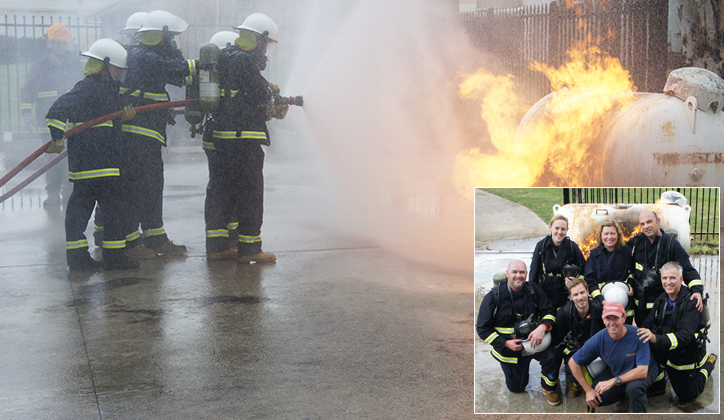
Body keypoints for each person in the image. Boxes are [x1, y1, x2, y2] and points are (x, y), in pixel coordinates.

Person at [45, 38, 138, 271]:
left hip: (96, 164)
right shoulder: (86, 87)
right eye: (116, 69)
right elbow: (56, 110)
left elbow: (113, 111)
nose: (118, 75)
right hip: (98, 164)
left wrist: (123, 115)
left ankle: (85, 258)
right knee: (108, 210)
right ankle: (109, 258)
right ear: (103, 66)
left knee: (90, 210)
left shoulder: (107, 89)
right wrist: (57, 137)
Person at [204, 13, 288, 263]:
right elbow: (259, 95)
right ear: (260, 40)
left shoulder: (226, 56)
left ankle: (217, 247)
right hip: (243, 141)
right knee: (251, 193)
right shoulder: (244, 61)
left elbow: (242, 94)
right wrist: (272, 98)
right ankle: (251, 249)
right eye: (267, 44)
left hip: (223, 140)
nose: (266, 52)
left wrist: (266, 91)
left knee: (222, 192)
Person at [121, 10, 197, 258]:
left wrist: (177, 54)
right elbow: (170, 68)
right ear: (162, 36)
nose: (174, 43)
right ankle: (132, 244)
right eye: (172, 38)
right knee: (136, 188)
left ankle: (155, 238)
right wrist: (203, 64)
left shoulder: (150, 55)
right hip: (135, 135)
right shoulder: (140, 56)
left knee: (152, 186)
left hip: (148, 134)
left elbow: (178, 77)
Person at [476, 260, 561, 405]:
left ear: (526, 274)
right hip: (510, 352)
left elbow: (550, 311)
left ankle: (549, 388)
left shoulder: (534, 290)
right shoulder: (493, 297)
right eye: (514, 272)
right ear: (507, 273)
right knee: (517, 388)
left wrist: (543, 327)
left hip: (535, 344)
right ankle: (520, 371)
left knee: (554, 355)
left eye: (522, 272)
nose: (518, 275)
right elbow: (482, 328)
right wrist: (505, 343)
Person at [20, 23, 82, 208]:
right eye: (57, 43)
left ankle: (69, 192)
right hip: (46, 122)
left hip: (70, 121)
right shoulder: (39, 66)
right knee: (52, 159)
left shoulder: (74, 65)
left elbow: (82, 89)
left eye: (63, 44)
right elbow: (28, 90)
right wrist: (26, 113)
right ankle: (53, 193)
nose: (60, 47)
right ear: (49, 44)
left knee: (70, 159)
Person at [637, 262, 717, 405]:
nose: (668, 282)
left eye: (672, 278)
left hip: (685, 354)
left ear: (681, 280)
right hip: (665, 351)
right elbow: (648, 323)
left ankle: (708, 364)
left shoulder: (692, 302)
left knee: (686, 396)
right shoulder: (661, 299)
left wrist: (656, 338)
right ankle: (660, 380)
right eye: (664, 278)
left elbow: (685, 337)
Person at [569, 301, 658, 412]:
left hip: (643, 370)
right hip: (618, 370)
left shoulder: (639, 335)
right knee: (595, 399)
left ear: (624, 318)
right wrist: (588, 391)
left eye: (616, 318)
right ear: (603, 319)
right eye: (608, 318)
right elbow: (573, 362)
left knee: (634, 389)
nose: (612, 323)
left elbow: (642, 371)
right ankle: (624, 396)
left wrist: (613, 381)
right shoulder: (599, 339)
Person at [628, 210, 704, 326]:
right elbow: (619, 253)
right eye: (642, 224)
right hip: (640, 307)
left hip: (662, 307)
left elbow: (687, 270)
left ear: (658, 222)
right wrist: (596, 250)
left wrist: (697, 291)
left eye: (649, 222)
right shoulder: (636, 242)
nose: (646, 226)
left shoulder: (671, 245)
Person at [551, 277, 605, 399]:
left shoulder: (599, 310)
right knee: (574, 378)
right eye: (575, 294)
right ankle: (574, 383)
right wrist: (569, 350)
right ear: (570, 296)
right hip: (574, 351)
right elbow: (557, 340)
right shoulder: (563, 313)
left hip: (596, 348)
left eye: (582, 292)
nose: (580, 297)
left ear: (587, 291)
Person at [529, 215, 586, 309]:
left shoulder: (573, 248)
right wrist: (533, 296)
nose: (559, 232)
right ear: (550, 227)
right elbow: (533, 274)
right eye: (557, 228)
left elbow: (585, 271)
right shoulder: (541, 247)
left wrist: (575, 280)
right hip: (546, 293)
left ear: (567, 230)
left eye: (563, 229)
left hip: (566, 294)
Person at [584, 219, 635, 323]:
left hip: (625, 302)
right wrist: (601, 300)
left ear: (618, 235)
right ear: (600, 236)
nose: (609, 237)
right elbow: (590, 280)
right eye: (606, 233)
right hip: (602, 302)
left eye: (612, 233)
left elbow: (633, 272)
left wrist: (630, 284)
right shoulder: (594, 255)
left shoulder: (627, 251)